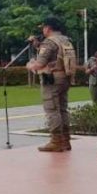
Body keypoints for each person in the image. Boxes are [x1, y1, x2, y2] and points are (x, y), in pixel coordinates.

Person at [27, 17, 76, 152]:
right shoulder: (66, 40)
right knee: (62, 109)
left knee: (52, 110)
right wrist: (37, 45)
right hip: (65, 78)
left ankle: (56, 141)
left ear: (48, 28)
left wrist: (30, 65)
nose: (43, 30)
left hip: (52, 80)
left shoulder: (49, 42)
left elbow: (40, 63)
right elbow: (54, 55)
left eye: (43, 28)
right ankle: (65, 140)